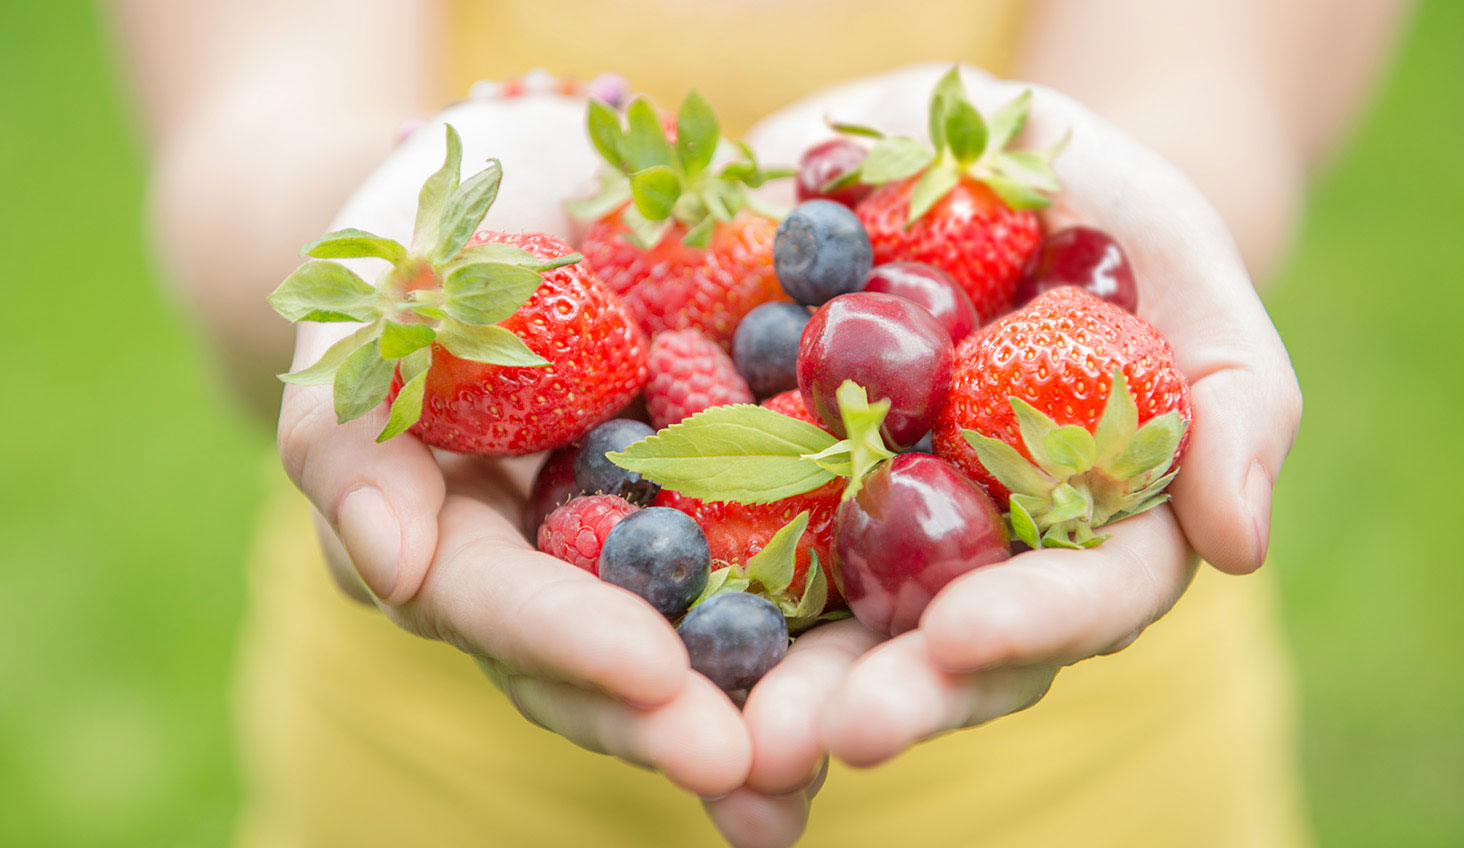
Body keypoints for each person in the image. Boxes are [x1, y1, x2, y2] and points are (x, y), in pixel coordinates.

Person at [115, 1, 1408, 845]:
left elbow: (1221, 85)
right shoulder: (632, 360)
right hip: (427, 781)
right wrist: (400, 235)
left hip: (1095, 782)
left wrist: (1114, 193)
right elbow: (238, 147)